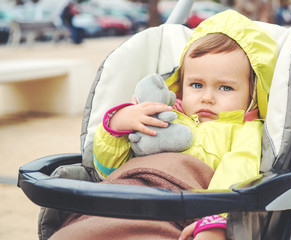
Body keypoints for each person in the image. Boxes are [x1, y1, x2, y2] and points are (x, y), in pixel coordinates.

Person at [51, 10, 277, 240]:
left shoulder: (247, 130)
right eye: (196, 85)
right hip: (117, 198)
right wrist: (119, 125)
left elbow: (239, 172)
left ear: (253, 94)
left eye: (225, 88)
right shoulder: (161, 114)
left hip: (179, 210)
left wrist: (215, 221)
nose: (207, 97)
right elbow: (105, 171)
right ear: (181, 83)